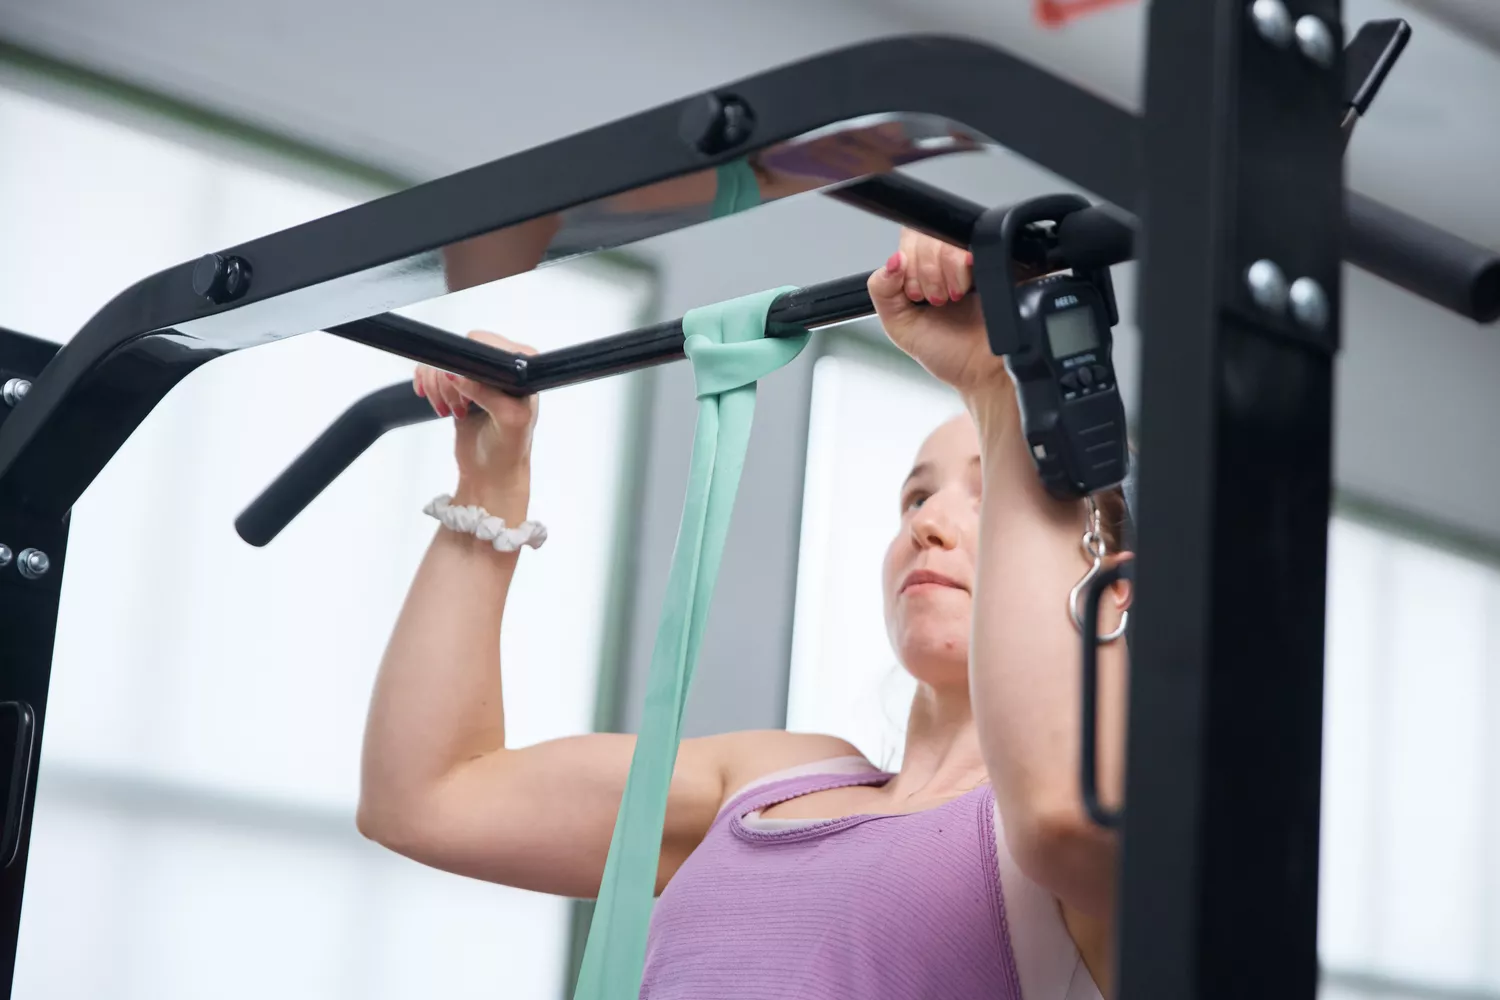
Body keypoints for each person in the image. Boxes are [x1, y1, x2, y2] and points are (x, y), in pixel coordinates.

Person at [357, 229, 1133, 999]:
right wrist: (488, 486)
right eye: (916, 497)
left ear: (1116, 586)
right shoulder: (771, 781)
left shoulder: (1105, 835)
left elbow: (1061, 813)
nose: (927, 523)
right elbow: (426, 797)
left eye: (992, 493)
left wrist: (998, 387)